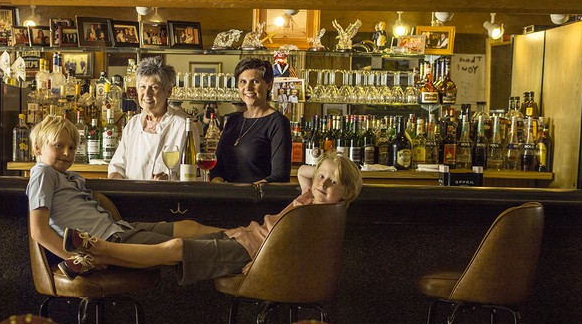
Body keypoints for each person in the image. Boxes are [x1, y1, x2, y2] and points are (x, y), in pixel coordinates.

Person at [61, 151, 362, 284]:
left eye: (332, 182)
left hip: (252, 252)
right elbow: (304, 171)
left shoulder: (318, 215)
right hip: (247, 237)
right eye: (322, 177)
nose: (321, 183)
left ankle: (97, 249)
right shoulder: (315, 197)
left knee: (177, 247)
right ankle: (103, 251)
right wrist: (330, 167)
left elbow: (291, 254)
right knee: (187, 232)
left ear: (347, 191)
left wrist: (257, 265)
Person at [27, 115, 221, 278]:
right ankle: (245, 247)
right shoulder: (43, 172)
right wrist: (73, 258)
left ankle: (237, 235)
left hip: (117, 230)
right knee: (183, 248)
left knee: (189, 227)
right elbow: (38, 231)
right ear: (37, 148)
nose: (66, 153)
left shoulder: (66, 176)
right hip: (108, 243)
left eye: (71, 147)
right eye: (59, 145)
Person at [108, 58, 199, 180]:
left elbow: (192, 176)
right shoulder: (133, 124)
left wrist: (170, 181)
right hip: (131, 196)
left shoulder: (184, 126)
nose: (146, 93)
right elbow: (117, 167)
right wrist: (117, 184)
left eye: (154, 87)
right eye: (142, 87)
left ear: (168, 91)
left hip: (167, 197)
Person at [210, 57, 292, 184]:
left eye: (255, 81)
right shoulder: (232, 120)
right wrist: (219, 186)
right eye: (242, 81)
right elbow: (217, 167)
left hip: (257, 200)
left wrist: (246, 191)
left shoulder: (277, 122)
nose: (248, 88)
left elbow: (281, 175)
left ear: (269, 85)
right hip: (226, 197)